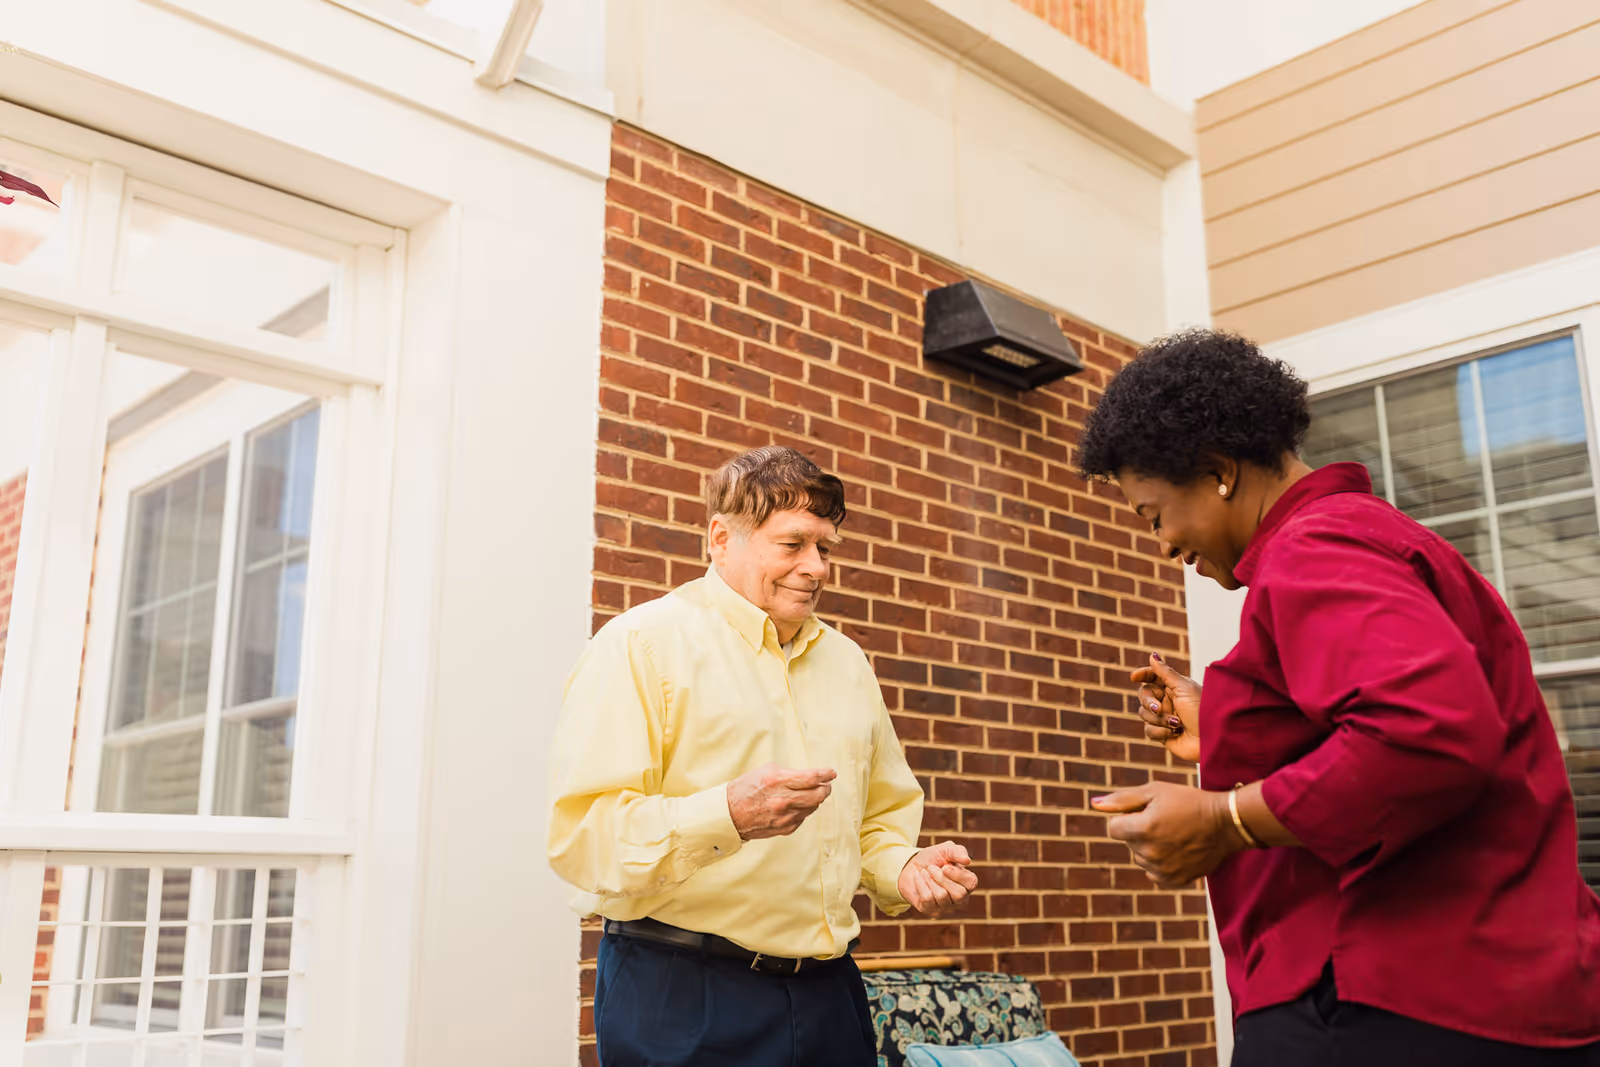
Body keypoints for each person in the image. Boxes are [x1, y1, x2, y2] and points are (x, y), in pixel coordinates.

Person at [1075, 329, 1600, 1066]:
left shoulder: (1315, 547)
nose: (1162, 545)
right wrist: (1224, 725)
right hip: (1482, 989)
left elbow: (1427, 731)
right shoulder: (1376, 536)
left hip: (1390, 998)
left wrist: (1226, 819)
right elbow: (1371, 717)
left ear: (1219, 472)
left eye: (1153, 515)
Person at [547, 446, 978, 1067]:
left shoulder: (849, 664)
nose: (817, 567)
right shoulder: (639, 646)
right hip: (683, 996)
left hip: (831, 995)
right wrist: (727, 815)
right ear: (722, 538)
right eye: (793, 544)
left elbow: (877, 821)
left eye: (825, 548)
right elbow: (584, 840)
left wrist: (904, 867)